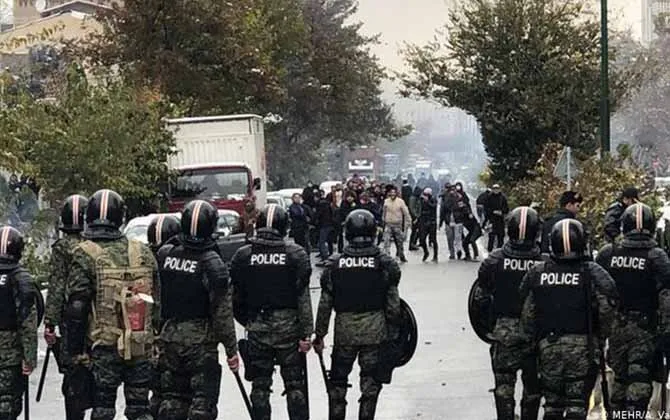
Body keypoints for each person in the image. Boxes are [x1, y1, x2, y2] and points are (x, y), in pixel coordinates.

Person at [65, 189, 158, 420]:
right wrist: (154, 338)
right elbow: (157, 300)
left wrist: (76, 352)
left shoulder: (84, 253)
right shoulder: (143, 252)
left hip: (103, 346)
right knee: (139, 408)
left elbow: (77, 307)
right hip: (139, 344)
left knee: (103, 407)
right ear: (121, 217)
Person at [520, 219, 618, 420]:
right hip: (584, 347)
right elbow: (607, 309)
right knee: (577, 405)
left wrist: (532, 345)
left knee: (553, 405)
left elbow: (528, 314)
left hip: (549, 347)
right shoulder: (593, 272)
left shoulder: (538, 272)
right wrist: (601, 339)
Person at [313, 209, 402, 420]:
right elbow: (393, 306)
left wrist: (319, 335)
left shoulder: (335, 264)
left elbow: (325, 305)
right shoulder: (384, 263)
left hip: (344, 334)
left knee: (337, 384)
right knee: (370, 386)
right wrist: (394, 335)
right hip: (375, 333)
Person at [157, 199, 239, 419]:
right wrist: (232, 350)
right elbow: (222, 313)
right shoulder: (212, 263)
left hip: (169, 336)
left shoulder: (166, 254)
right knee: (203, 404)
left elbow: (156, 298)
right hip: (201, 341)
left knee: (172, 400)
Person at [231, 204, 313, 420]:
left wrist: (250, 321)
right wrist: (307, 334)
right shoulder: (296, 255)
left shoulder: (243, 255)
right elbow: (303, 298)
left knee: (260, 387)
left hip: (257, 328)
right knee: (295, 385)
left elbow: (235, 299)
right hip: (289, 330)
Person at [595, 203, 670, 416]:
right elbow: (666, 299)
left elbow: (596, 293)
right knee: (639, 380)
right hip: (646, 329)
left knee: (618, 377)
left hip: (616, 328)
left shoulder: (608, 254)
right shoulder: (657, 257)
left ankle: (617, 414)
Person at [474, 207, 543, 420]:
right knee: (533, 388)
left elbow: (479, 300)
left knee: (504, 386)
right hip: (536, 335)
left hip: (504, 333)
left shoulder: (494, 261)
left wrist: (490, 329)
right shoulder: (545, 262)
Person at [43, 194, 88, 420]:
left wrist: (50, 323)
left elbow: (57, 286)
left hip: (70, 318)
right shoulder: (95, 245)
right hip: (97, 317)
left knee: (72, 372)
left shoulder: (61, 248)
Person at [0, 225, 41, 420]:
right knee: (8, 404)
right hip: (11, 354)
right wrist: (29, 358)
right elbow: (28, 322)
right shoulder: (22, 280)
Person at [145, 214, 180, 419]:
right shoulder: (178, 260)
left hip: (149, 337)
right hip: (171, 333)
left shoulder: (142, 260)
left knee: (157, 392)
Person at [381, 187, 410, 263]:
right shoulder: (386, 201)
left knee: (399, 242)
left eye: (394, 192)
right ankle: (387, 256)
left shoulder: (400, 202)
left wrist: (408, 221)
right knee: (386, 241)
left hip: (397, 225)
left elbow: (405, 212)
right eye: (391, 192)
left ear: (396, 194)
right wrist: (383, 221)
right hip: (388, 224)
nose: (393, 194)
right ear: (389, 193)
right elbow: (384, 212)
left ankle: (401, 255)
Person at [484, 184, 509, 252]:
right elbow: (486, 208)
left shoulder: (503, 197)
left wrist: (501, 212)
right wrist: (492, 212)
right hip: (492, 219)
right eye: (494, 189)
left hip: (500, 220)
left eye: (497, 189)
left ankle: (500, 251)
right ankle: (490, 250)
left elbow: (506, 208)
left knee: (501, 236)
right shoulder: (489, 197)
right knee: (491, 236)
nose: (496, 190)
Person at [418, 187, 438, 262]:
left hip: (432, 222)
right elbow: (419, 208)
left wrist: (427, 202)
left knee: (433, 239)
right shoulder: (422, 200)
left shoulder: (433, 199)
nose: (425, 196)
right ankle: (426, 252)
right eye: (424, 194)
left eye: (427, 194)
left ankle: (435, 256)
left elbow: (434, 207)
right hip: (424, 221)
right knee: (422, 239)